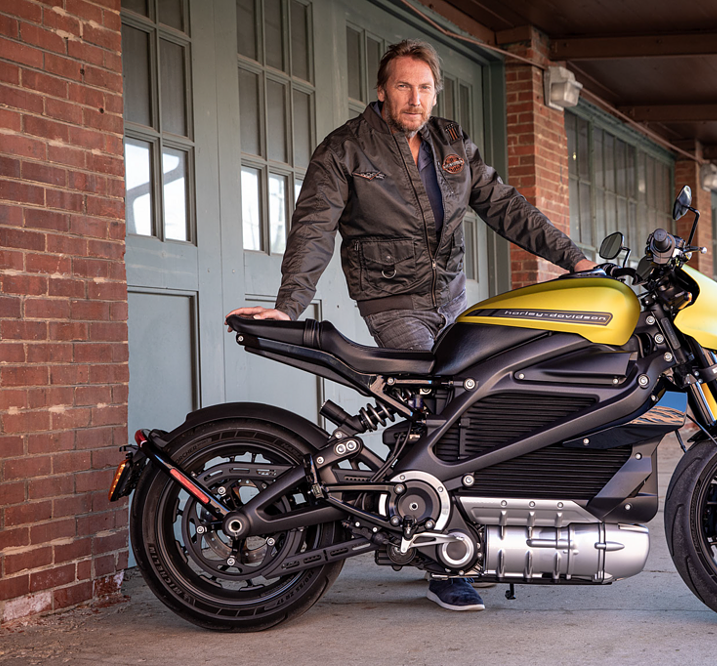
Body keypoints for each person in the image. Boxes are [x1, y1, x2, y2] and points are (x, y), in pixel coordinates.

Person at [227, 39, 594, 610]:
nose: (414, 98)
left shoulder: (451, 144)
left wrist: (572, 257)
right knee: (438, 409)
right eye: (403, 86)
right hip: (391, 302)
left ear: (434, 93)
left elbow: (505, 206)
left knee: (460, 405)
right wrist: (289, 304)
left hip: (451, 300)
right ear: (381, 90)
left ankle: (414, 516)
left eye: (424, 88)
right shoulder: (346, 149)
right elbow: (314, 227)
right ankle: (442, 556)